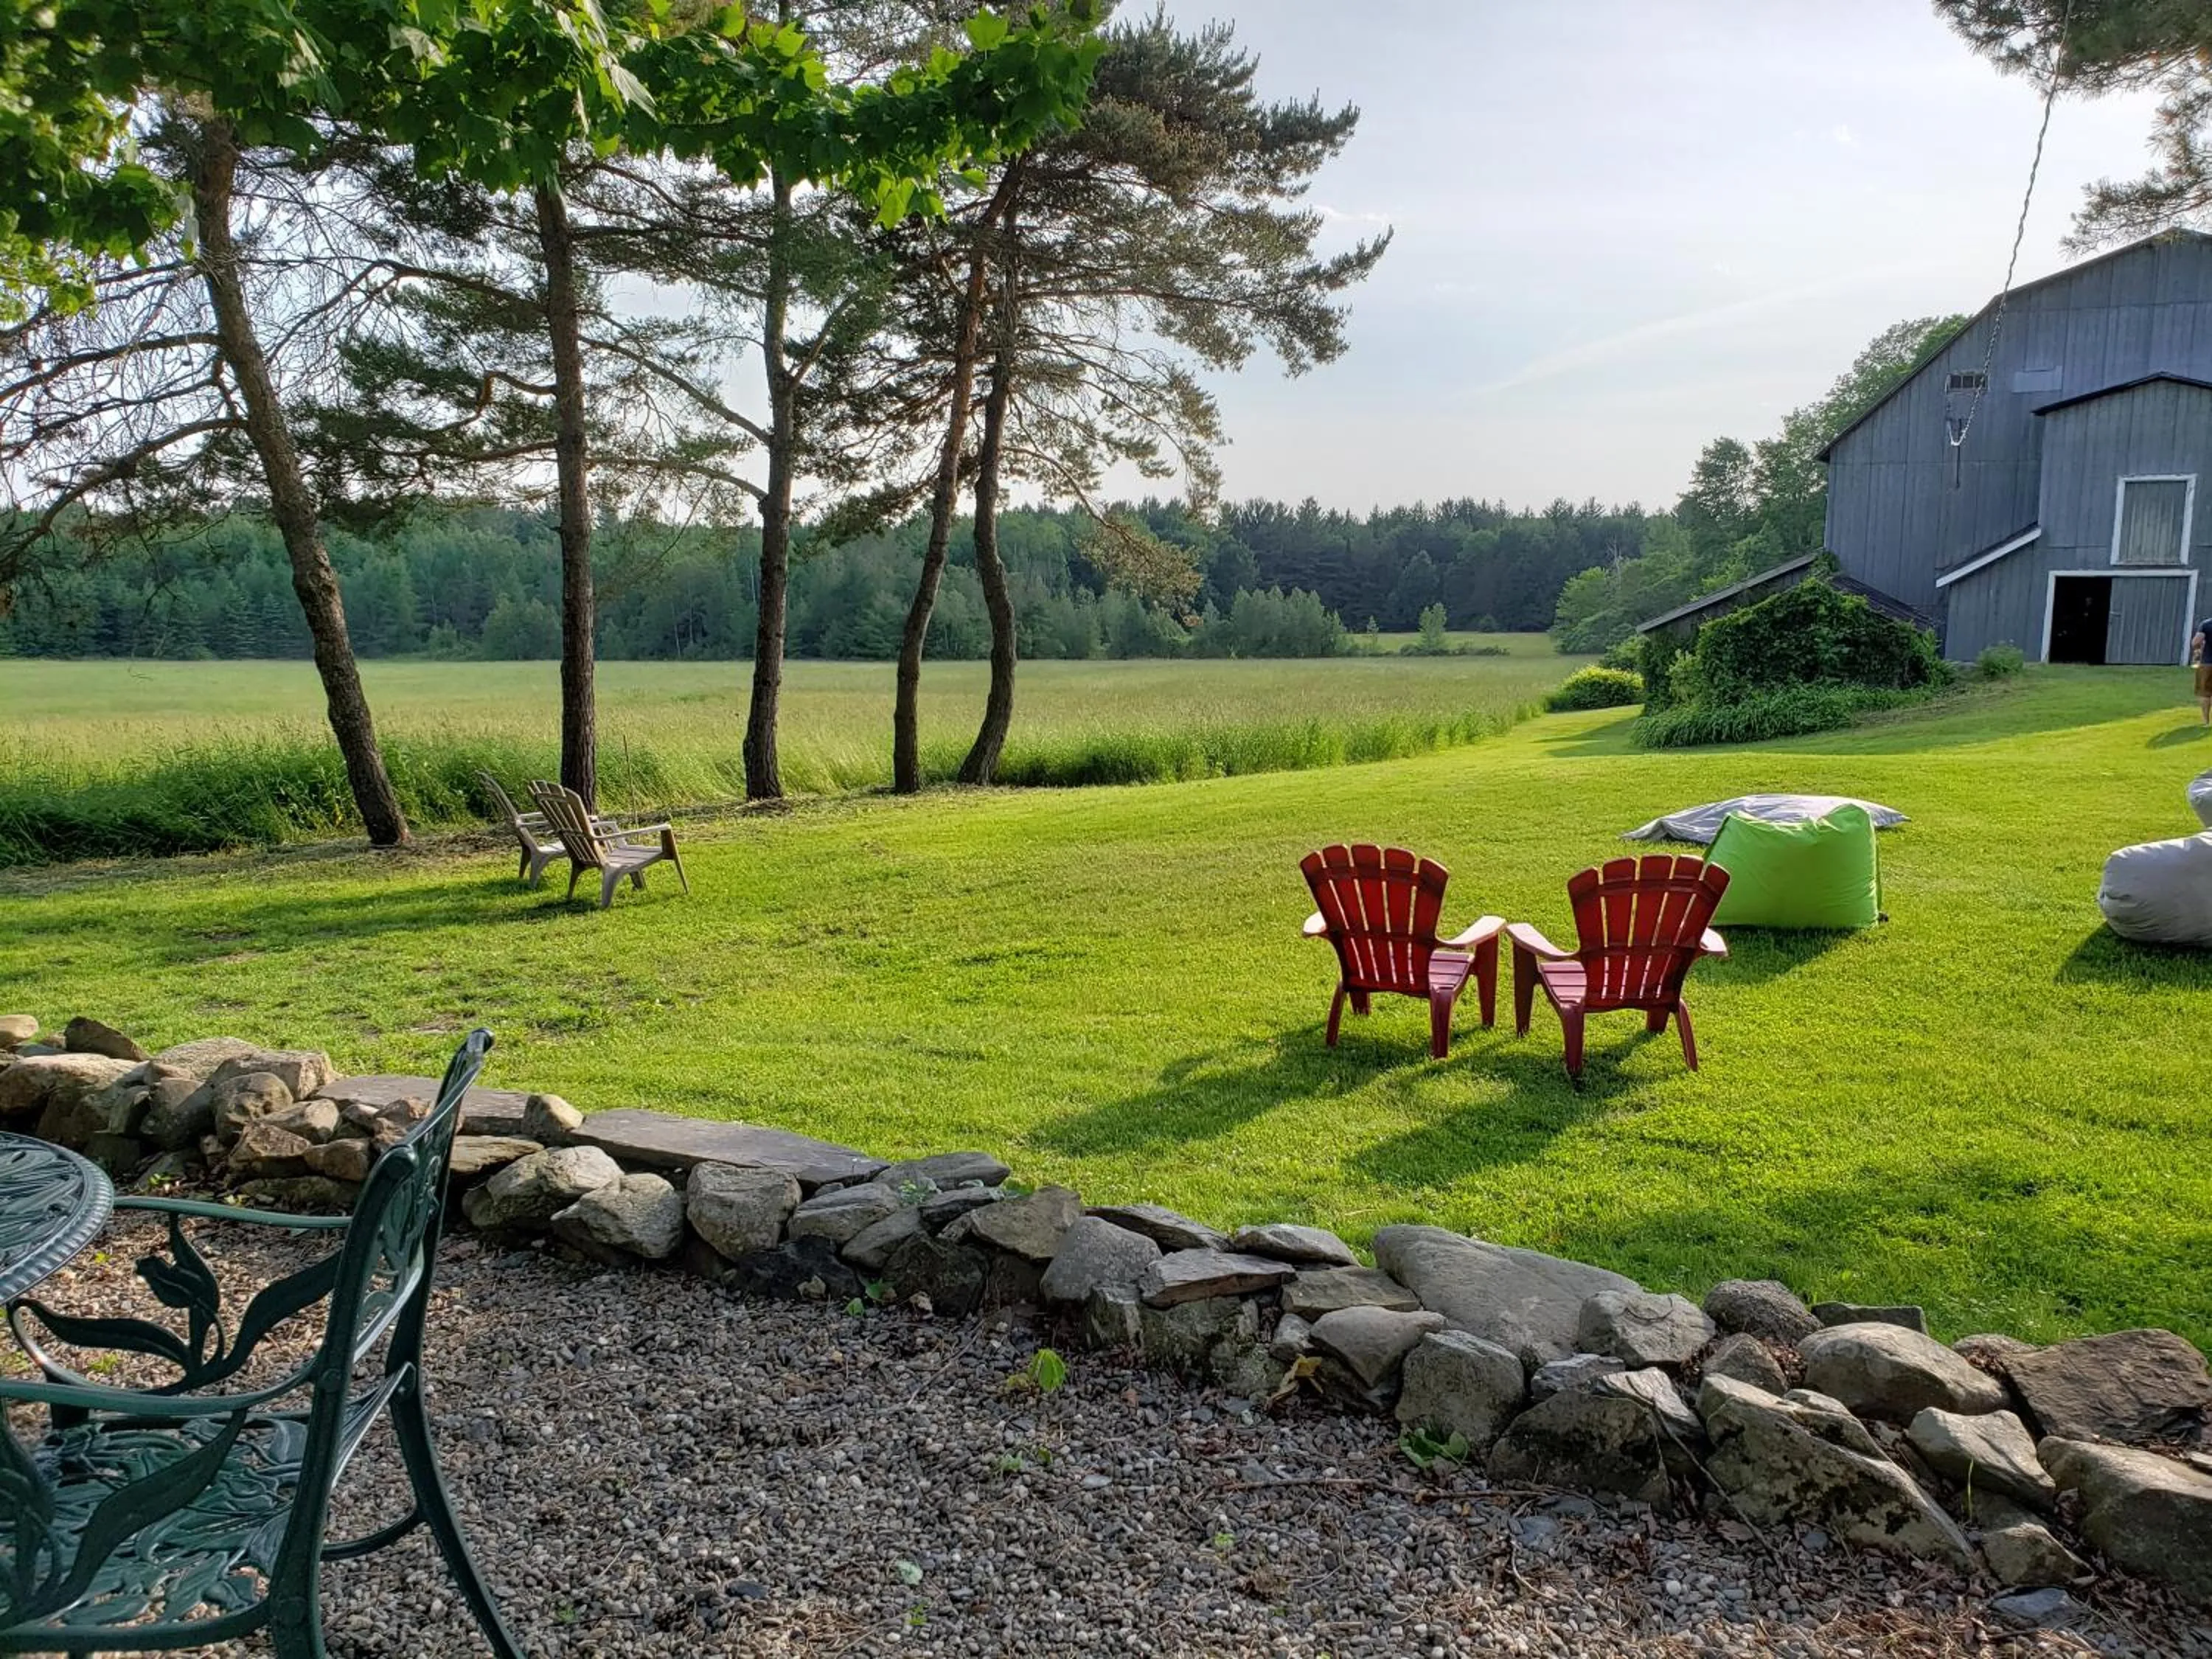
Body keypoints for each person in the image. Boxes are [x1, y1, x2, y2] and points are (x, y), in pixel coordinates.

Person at [2197, 615, 2212, 726]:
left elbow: (2196, 642)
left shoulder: (2206, 624)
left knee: (2205, 693)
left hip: (2207, 663)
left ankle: (2206, 721)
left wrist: (2199, 647)